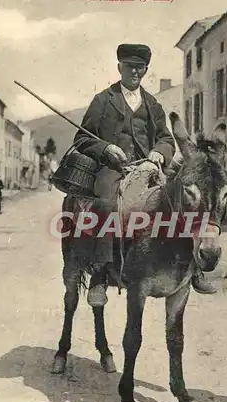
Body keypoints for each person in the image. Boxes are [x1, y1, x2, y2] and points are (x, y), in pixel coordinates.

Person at [73, 43, 217, 305]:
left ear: (146, 69)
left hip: (149, 169)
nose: (135, 72)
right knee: (106, 204)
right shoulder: (103, 100)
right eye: (129, 67)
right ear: (120, 67)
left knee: (182, 202)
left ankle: (193, 270)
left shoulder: (152, 104)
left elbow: (165, 138)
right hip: (113, 169)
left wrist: (159, 154)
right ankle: (100, 275)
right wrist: (106, 148)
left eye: (140, 67)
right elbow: (82, 139)